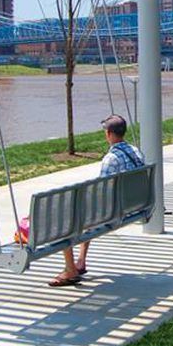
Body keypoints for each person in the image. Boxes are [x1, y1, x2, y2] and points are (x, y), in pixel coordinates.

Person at [49, 114, 144, 287]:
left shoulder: (111, 159)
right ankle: (81, 261)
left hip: (115, 211)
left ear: (108, 134)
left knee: (63, 220)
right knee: (86, 213)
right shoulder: (136, 151)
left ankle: (70, 270)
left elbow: (102, 191)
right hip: (135, 205)